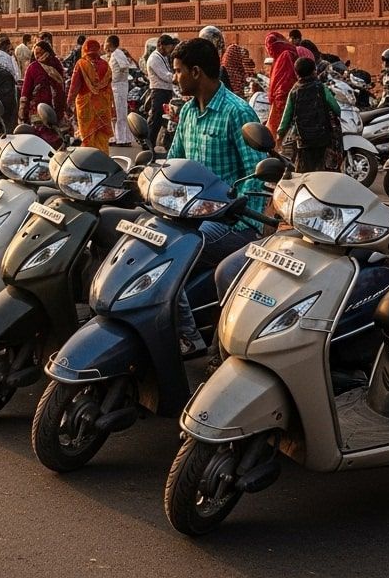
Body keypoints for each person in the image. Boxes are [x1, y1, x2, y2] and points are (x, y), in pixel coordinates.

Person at [167, 38, 265, 355]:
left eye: (178, 71)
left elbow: (256, 179)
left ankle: (189, 335)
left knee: (172, 250)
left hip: (233, 223)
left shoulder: (237, 112)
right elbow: (173, 163)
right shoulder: (187, 114)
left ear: (196, 72)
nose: (174, 77)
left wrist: (236, 217)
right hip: (190, 218)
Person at [277, 56, 342, 172]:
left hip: (303, 140)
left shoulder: (294, 91)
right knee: (323, 169)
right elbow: (337, 109)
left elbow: (286, 118)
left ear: (297, 74)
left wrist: (279, 136)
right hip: (323, 137)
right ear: (314, 71)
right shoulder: (321, 87)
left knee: (303, 170)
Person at [69, 39, 114, 153]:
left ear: (84, 49)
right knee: (101, 134)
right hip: (103, 105)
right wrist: (112, 105)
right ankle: (103, 157)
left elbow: (74, 87)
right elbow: (109, 88)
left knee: (88, 134)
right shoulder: (105, 65)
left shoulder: (81, 64)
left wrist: (68, 102)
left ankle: (89, 158)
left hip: (86, 106)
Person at [19, 40, 67, 147]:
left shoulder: (52, 65)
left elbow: (26, 92)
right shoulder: (36, 66)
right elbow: (26, 91)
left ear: (47, 52)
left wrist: (23, 113)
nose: (38, 56)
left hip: (49, 109)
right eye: (36, 54)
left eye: (40, 53)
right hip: (44, 110)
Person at [265, 31, 298, 137]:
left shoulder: (285, 55)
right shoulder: (282, 54)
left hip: (282, 99)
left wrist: (279, 102)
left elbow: (285, 81)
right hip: (280, 98)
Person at [146, 33, 176, 147]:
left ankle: (159, 141)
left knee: (164, 119)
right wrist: (177, 77)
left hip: (166, 91)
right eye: (168, 47)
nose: (169, 50)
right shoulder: (154, 58)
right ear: (161, 45)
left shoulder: (163, 57)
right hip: (159, 91)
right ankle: (149, 143)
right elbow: (165, 75)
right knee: (156, 119)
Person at [105, 34, 132, 145]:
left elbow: (124, 65)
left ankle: (123, 139)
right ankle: (116, 137)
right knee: (115, 113)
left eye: (106, 42)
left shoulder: (117, 53)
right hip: (116, 86)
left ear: (110, 43)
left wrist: (116, 77)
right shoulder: (114, 54)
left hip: (119, 86)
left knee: (120, 113)